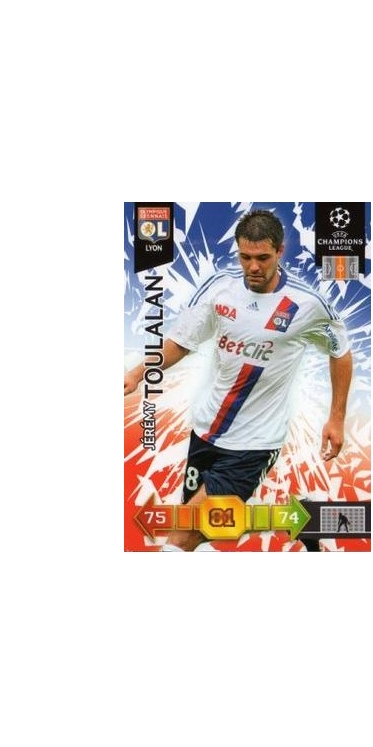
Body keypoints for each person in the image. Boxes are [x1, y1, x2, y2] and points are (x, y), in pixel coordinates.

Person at [124, 209, 353, 551]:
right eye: (245, 257)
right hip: (206, 432)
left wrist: (336, 417)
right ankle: (300, 519)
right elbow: (182, 341)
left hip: (254, 443)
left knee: (184, 534)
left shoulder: (308, 304)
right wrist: (136, 374)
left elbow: (341, 352)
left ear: (280, 251)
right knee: (211, 529)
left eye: (263, 258)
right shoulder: (221, 289)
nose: (253, 267)